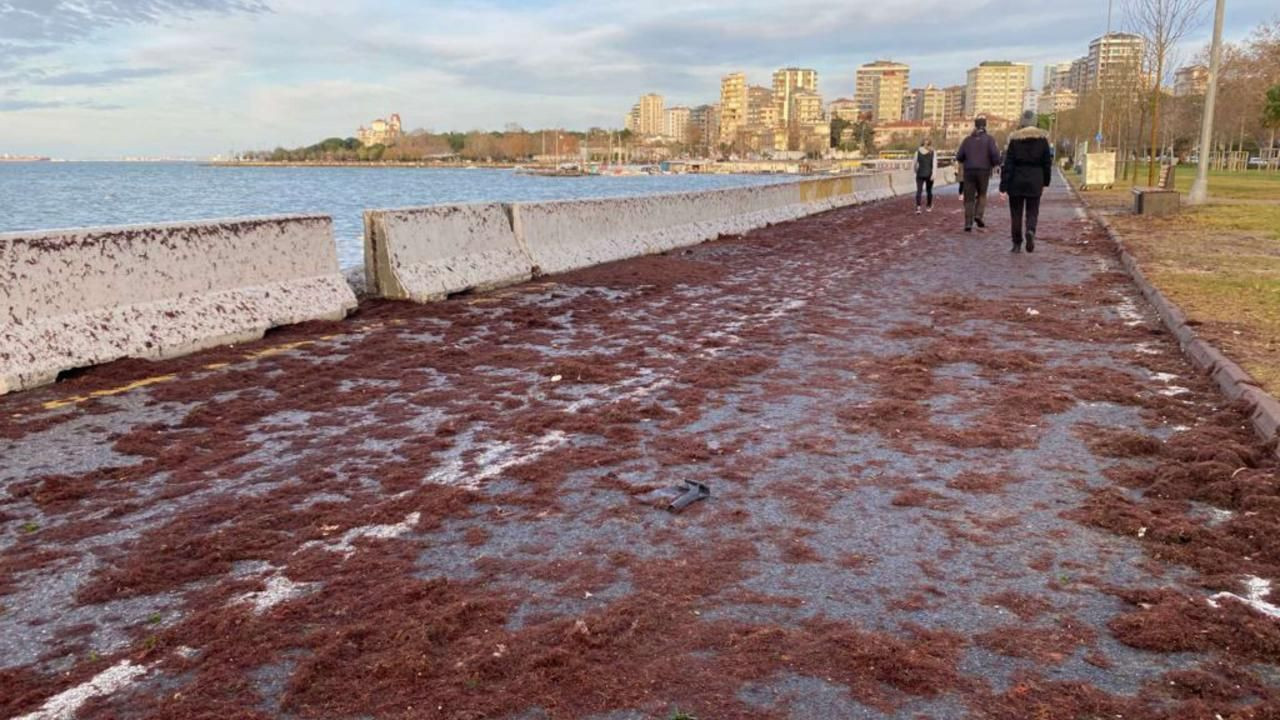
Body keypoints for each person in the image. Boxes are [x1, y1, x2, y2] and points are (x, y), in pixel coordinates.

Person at [999, 110, 1053, 253]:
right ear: (1036, 123)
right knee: (1032, 211)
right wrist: (1046, 182)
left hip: (1016, 179)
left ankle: (1016, 244)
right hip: (1036, 179)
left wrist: (1003, 186)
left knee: (1016, 213)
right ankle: (1030, 230)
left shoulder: (1014, 141)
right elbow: (1047, 163)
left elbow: (1008, 164)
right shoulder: (1042, 141)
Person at [954, 116, 1001, 232]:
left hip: (969, 170)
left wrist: (967, 159)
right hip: (984, 170)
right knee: (982, 194)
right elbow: (995, 154)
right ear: (985, 126)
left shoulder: (967, 140)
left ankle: (968, 222)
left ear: (975, 126)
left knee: (969, 198)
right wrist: (996, 163)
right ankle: (978, 215)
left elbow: (959, 156)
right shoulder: (989, 139)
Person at [913, 138, 937, 214]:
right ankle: (929, 206)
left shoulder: (917, 152)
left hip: (920, 173)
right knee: (929, 190)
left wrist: (916, 172)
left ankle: (918, 207)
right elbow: (934, 164)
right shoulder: (933, 152)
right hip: (929, 174)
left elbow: (915, 164)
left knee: (919, 191)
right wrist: (934, 174)